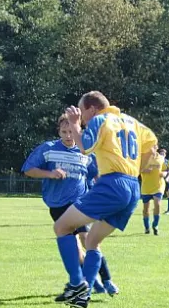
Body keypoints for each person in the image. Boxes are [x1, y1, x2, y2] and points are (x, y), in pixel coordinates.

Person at [53, 91, 157, 308]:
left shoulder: (101, 119)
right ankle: (85, 293)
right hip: (132, 186)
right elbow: (152, 147)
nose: (82, 120)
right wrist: (136, 169)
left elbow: (85, 148)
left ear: (92, 109)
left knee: (62, 226)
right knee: (92, 241)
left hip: (113, 184)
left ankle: (76, 283)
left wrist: (74, 125)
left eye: (82, 115)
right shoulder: (133, 122)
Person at [21, 114, 119, 296]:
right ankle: (91, 281)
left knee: (87, 239)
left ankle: (107, 279)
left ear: (77, 131)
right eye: (64, 132)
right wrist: (50, 174)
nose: (68, 136)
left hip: (80, 204)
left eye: (71, 132)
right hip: (57, 205)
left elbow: (97, 174)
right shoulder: (48, 149)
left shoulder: (86, 153)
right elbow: (28, 170)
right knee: (75, 247)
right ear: (58, 131)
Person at [140, 145, 168, 235]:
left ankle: (155, 225)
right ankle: (147, 227)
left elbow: (166, 170)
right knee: (146, 209)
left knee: (157, 204)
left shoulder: (161, 158)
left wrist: (164, 173)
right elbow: (136, 169)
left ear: (156, 148)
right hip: (146, 186)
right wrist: (144, 170)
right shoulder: (142, 158)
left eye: (154, 146)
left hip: (158, 185)